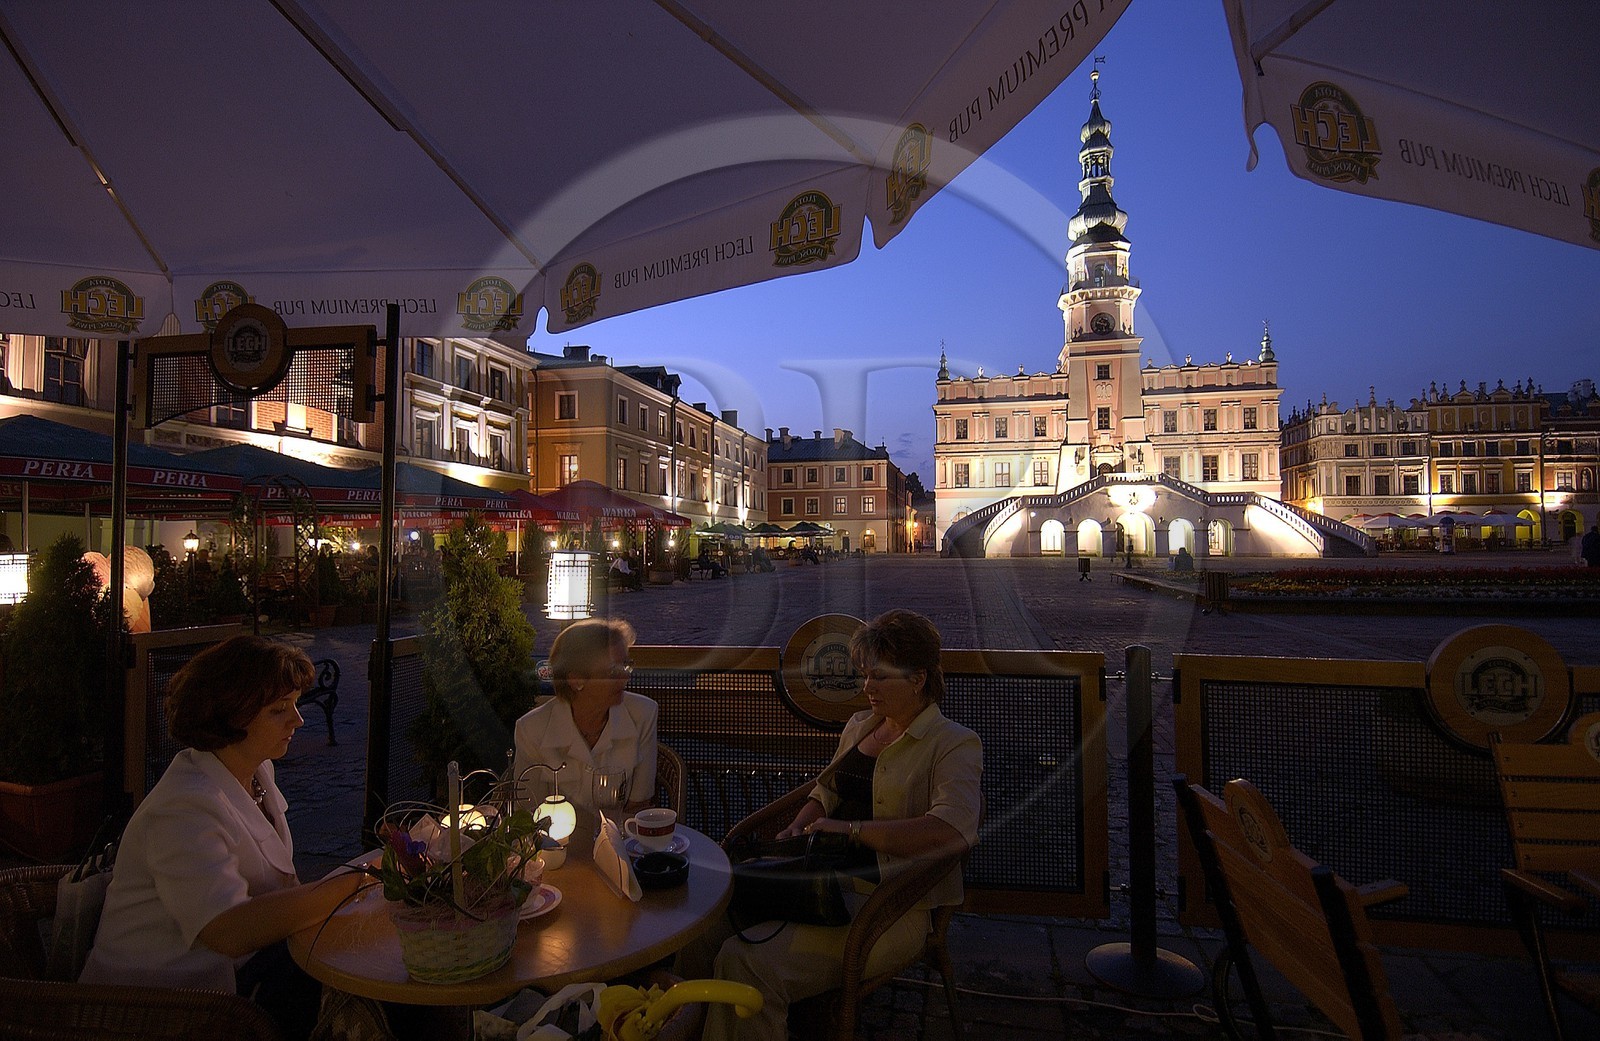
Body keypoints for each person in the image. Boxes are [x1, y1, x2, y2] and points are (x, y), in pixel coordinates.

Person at [685, 610, 982, 1041]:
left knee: (745, 962)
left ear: (918, 679)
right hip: (819, 883)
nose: (867, 688)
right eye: (865, 675)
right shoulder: (861, 725)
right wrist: (799, 828)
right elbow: (825, 791)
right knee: (701, 929)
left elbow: (951, 832)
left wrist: (850, 830)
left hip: (892, 907)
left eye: (879, 677)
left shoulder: (953, 743)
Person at [80, 635, 364, 1040]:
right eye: (279, 710)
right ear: (231, 716)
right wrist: (351, 884)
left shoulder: (256, 774)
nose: (299, 720)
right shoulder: (184, 806)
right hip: (156, 1006)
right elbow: (226, 930)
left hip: (235, 977)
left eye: (295, 705)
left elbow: (281, 891)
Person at [512, 618, 657, 831]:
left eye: (626, 665)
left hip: (619, 848)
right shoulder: (532, 729)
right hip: (555, 852)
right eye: (613, 671)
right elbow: (526, 813)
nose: (625, 676)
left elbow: (639, 808)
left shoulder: (643, 714)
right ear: (576, 680)